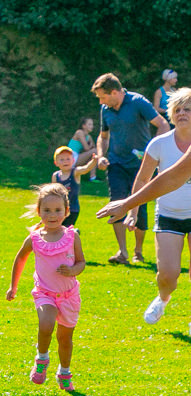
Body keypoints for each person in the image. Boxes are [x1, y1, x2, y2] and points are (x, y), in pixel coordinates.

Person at [102, 88, 191, 327]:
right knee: (168, 276)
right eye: (178, 109)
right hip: (169, 215)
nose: (182, 113)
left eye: (188, 109)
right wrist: (132, 211)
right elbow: (147, 180)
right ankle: (163, 299)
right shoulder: (159, 144)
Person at [7, 184, 86, 391]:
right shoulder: (35, 238)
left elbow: (81, 263)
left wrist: (73, 271)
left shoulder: (72, 236)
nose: (52, 215)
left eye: (58, 210)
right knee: (46, 324)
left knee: (65, 339)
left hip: (69, 296)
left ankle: (65, 371)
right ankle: (41, 359)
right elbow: (20, 258)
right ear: (39, 211)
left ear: (66, 212)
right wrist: (13, 287)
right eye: (47, 210)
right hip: (45, 293)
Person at [92, 73, 170, 264]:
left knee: (139, 205)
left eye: (103, 96)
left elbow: (162, 124)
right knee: (116, 203)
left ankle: (138, 251)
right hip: (116, 163)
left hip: (140, 165)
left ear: (115, 92)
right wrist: (101, 155)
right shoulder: (106, 109)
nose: (101, 101)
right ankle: (122, 252)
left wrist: (153, 151)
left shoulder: (137, 102)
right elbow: (103, 136)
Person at [51, 145, 98, 227]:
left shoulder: (75, 172)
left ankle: (73, 234)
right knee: (56, 228)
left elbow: (86, 168)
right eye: (62, 159)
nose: (65, 161)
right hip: (58, 209)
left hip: (72, 209)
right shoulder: (56, 176)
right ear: (56, 163)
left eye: (68, 159)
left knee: (66, 229)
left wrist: (94, 161)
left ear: (73, 160)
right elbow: (53, 193)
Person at [67, 117, 99, 182]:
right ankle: (92, 177)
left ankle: (93, 177)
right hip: (70, 156)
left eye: (92, 125)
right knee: (95, 151)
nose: (92, 126)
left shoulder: (88, 136)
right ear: (84, 126)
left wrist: (91, 146)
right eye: (89, 124)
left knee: (94, 154)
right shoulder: (79, 133)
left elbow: (92, 148)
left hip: (77, 156)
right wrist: (91, 146)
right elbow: (87, 148)